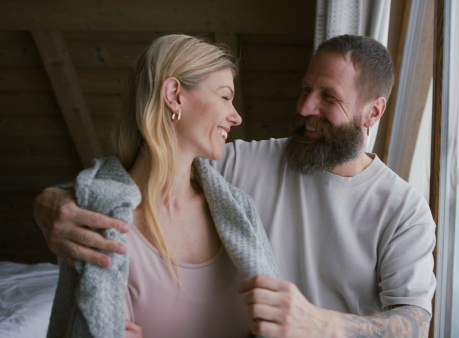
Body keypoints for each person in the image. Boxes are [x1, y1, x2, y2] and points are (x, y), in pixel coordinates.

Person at [35, 34, 436, 337]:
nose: (304, 107)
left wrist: (318, 323)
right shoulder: (237, 165)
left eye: (328, 97)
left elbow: (415, 321)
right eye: (305, 89)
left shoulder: (403, 209)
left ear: (374, 111)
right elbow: (144, 171)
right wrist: (50, 201)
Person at [45, 34, 280, 338]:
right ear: (174, 95)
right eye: (224, 97)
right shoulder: (101, 220)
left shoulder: (239, 210)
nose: (235, 116)